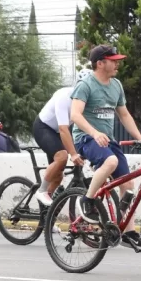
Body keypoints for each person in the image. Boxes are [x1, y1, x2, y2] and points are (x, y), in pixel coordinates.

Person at [71, 44, 141, 252]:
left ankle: (128, 232)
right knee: (110, 162)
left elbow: (124, 115)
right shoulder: (86, 85)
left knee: (128, 185)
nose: (117, 64)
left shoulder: (117, 86)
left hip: (107, 140)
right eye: (113, 60)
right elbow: (75, 115)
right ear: (100, 63)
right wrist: (94, 133)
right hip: (86, 138)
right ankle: (88, 201)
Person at [33, 71, 91, 207]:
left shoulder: (86, 102)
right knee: (62, 157)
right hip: (44, 127)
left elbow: (85, 128)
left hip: (58, 132)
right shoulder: (64, 96)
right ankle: (41, 191)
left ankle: (46, 215)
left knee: (58, 176)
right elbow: (64, 129)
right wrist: (73, 154)